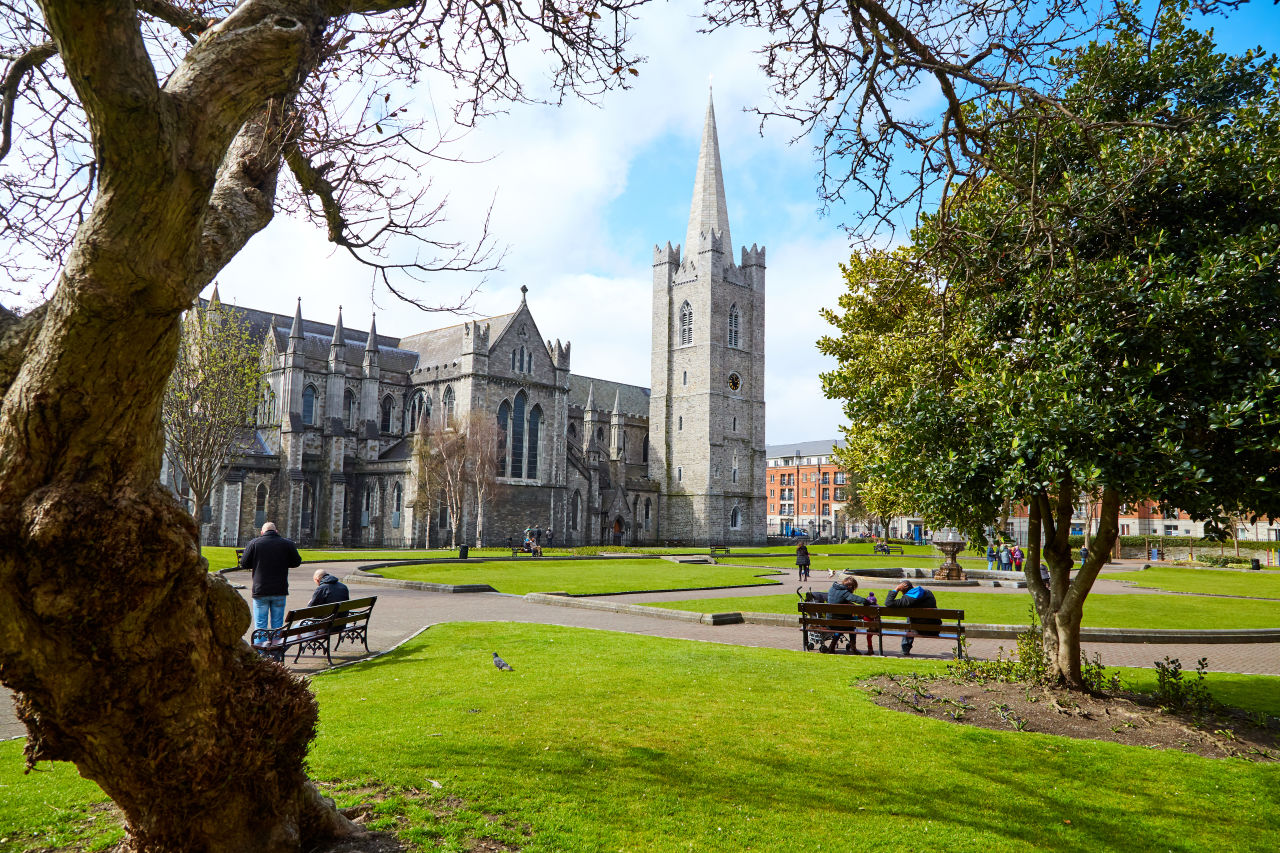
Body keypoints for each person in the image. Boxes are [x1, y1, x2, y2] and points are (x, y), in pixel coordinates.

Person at [239, 522, 302, 633]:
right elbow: (296, 562)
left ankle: (261, 645)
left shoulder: (254, 543)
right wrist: (284, 563)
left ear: (262, 532)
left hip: (260, 589)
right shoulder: (287, 544)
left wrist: (256, 563)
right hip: (279, 589)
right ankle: (275, 644)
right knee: (277, 625)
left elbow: (244, 563)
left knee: (260, 625)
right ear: (276, 531)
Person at [884, 580, 941, 657]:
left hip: (917, 629)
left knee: (910, 618)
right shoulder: (928, 593)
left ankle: (905, 649)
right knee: (913, 617)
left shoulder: (907, 600)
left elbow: (888, 602)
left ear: (903, 591)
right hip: (934, 629)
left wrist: (896, 589)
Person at [823, 572, 870, 654]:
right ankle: (853, 647)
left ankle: (832, 647)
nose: (853, 591)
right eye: (854, 588)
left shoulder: (832, 589)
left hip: (830, 620)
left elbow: (838, 600)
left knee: (841, 626)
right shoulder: (845, 592)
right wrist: (868, 602)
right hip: (840, 621)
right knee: (852, 624)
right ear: (850, 587)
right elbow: (859, 600)